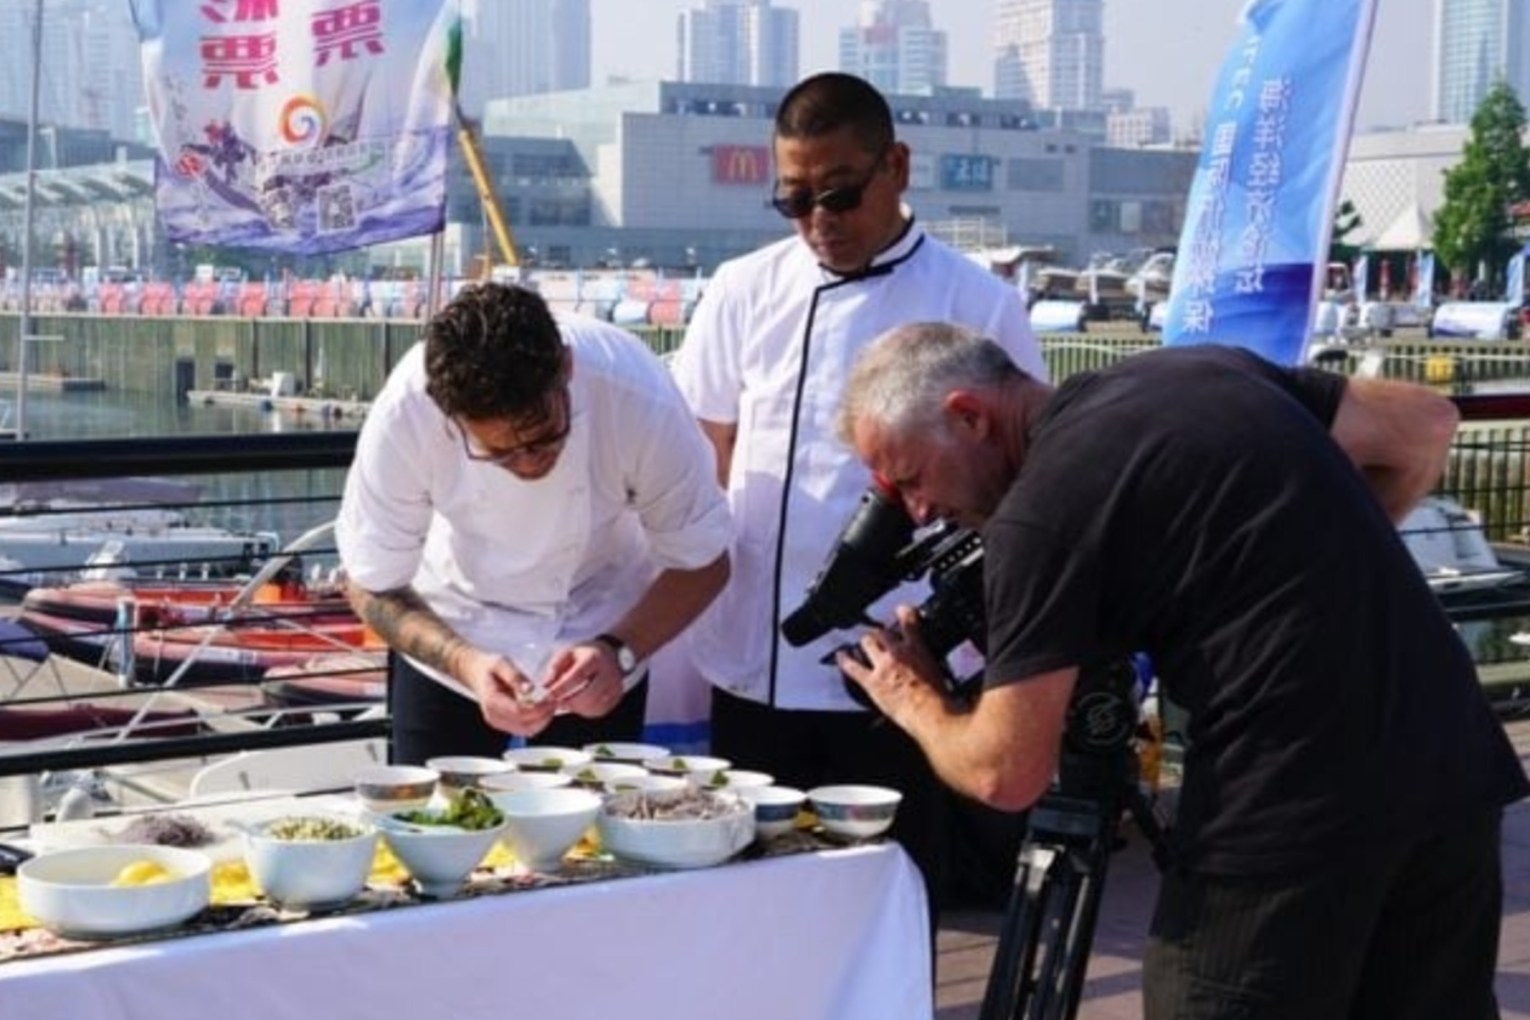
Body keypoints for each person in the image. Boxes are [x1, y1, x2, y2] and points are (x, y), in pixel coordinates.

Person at [835, 322, 1530, 1020]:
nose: (920, 512)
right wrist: (1314, 566)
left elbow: (1004, 773)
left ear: (969, 415)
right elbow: (1424, 424)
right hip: (1450, 768)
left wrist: (912, 697)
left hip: (1285, 805)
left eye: (912, 479)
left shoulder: (1039, 515)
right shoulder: (1202, 371)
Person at [670, 71, 1047, 910]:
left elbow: (1021, 481)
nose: (818, 223)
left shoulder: (975, 300)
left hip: (893, 668)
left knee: (889, 895)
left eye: (838, 196)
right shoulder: (743, 289)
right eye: (794, 201)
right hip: (751, 663)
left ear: (897, 167)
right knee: (745, 895)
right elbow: (706, 456)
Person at [335, 283, 731, 764]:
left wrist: (621, 650)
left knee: (596, 833)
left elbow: (705, 562)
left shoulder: (638, 396)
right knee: (432, 827)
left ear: (565, 367)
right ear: (448, 413)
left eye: (544, 438)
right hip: (451, 625)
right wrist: (466, 663)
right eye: (497, 453)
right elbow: (370, 584)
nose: (525, 464)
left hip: (602, 629)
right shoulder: (405, 413)